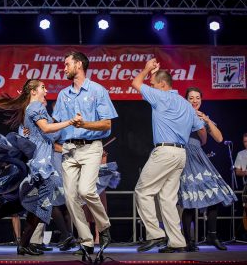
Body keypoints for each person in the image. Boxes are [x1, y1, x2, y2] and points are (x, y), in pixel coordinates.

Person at [0, 79, 81, 255]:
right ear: (33, 91)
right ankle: (25, 241)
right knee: (42, 204)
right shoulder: (35, 108)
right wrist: (70, 122)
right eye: (42, 88)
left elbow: (44, 130)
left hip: (39, 161)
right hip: (40, 164)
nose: (46, 91)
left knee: (27, 202)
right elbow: (47, 129)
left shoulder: (31, 109)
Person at [132, 58, 205, 253]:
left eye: (154, 84)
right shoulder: (186, 104)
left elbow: (135, 83)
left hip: (165, 151)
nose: (151, 87)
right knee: (167, 199)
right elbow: (201, 130)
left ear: (163, 86)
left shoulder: (161, 96)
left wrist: (147, 69)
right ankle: (177, 242)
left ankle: (155, 234)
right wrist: (153, 73)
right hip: (181, 153)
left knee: (142, 190)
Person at [52, 51, 118, 259]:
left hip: (91, 148)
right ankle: (87, 241)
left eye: (67, 64)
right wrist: (35, 125)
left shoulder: (98, 90)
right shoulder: (63, 95)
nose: (64, 68)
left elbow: (107, 124)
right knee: (70, 198)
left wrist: (84, 124)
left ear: (78, 65)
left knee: (87, 190)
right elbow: (57, 125)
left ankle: (104, 226)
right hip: (69, 149)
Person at [178, 87, 237, 252]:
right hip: (185, 155)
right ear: (185, 100)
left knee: (214, 194)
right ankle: (188, 241)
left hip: (200, 157)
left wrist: (207, 120)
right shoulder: (181, 115)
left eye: (198, 98)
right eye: (191, 98)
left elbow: (219, 138)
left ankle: (212, 235)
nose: (195, 100)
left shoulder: (203, 117)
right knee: (189, 201)